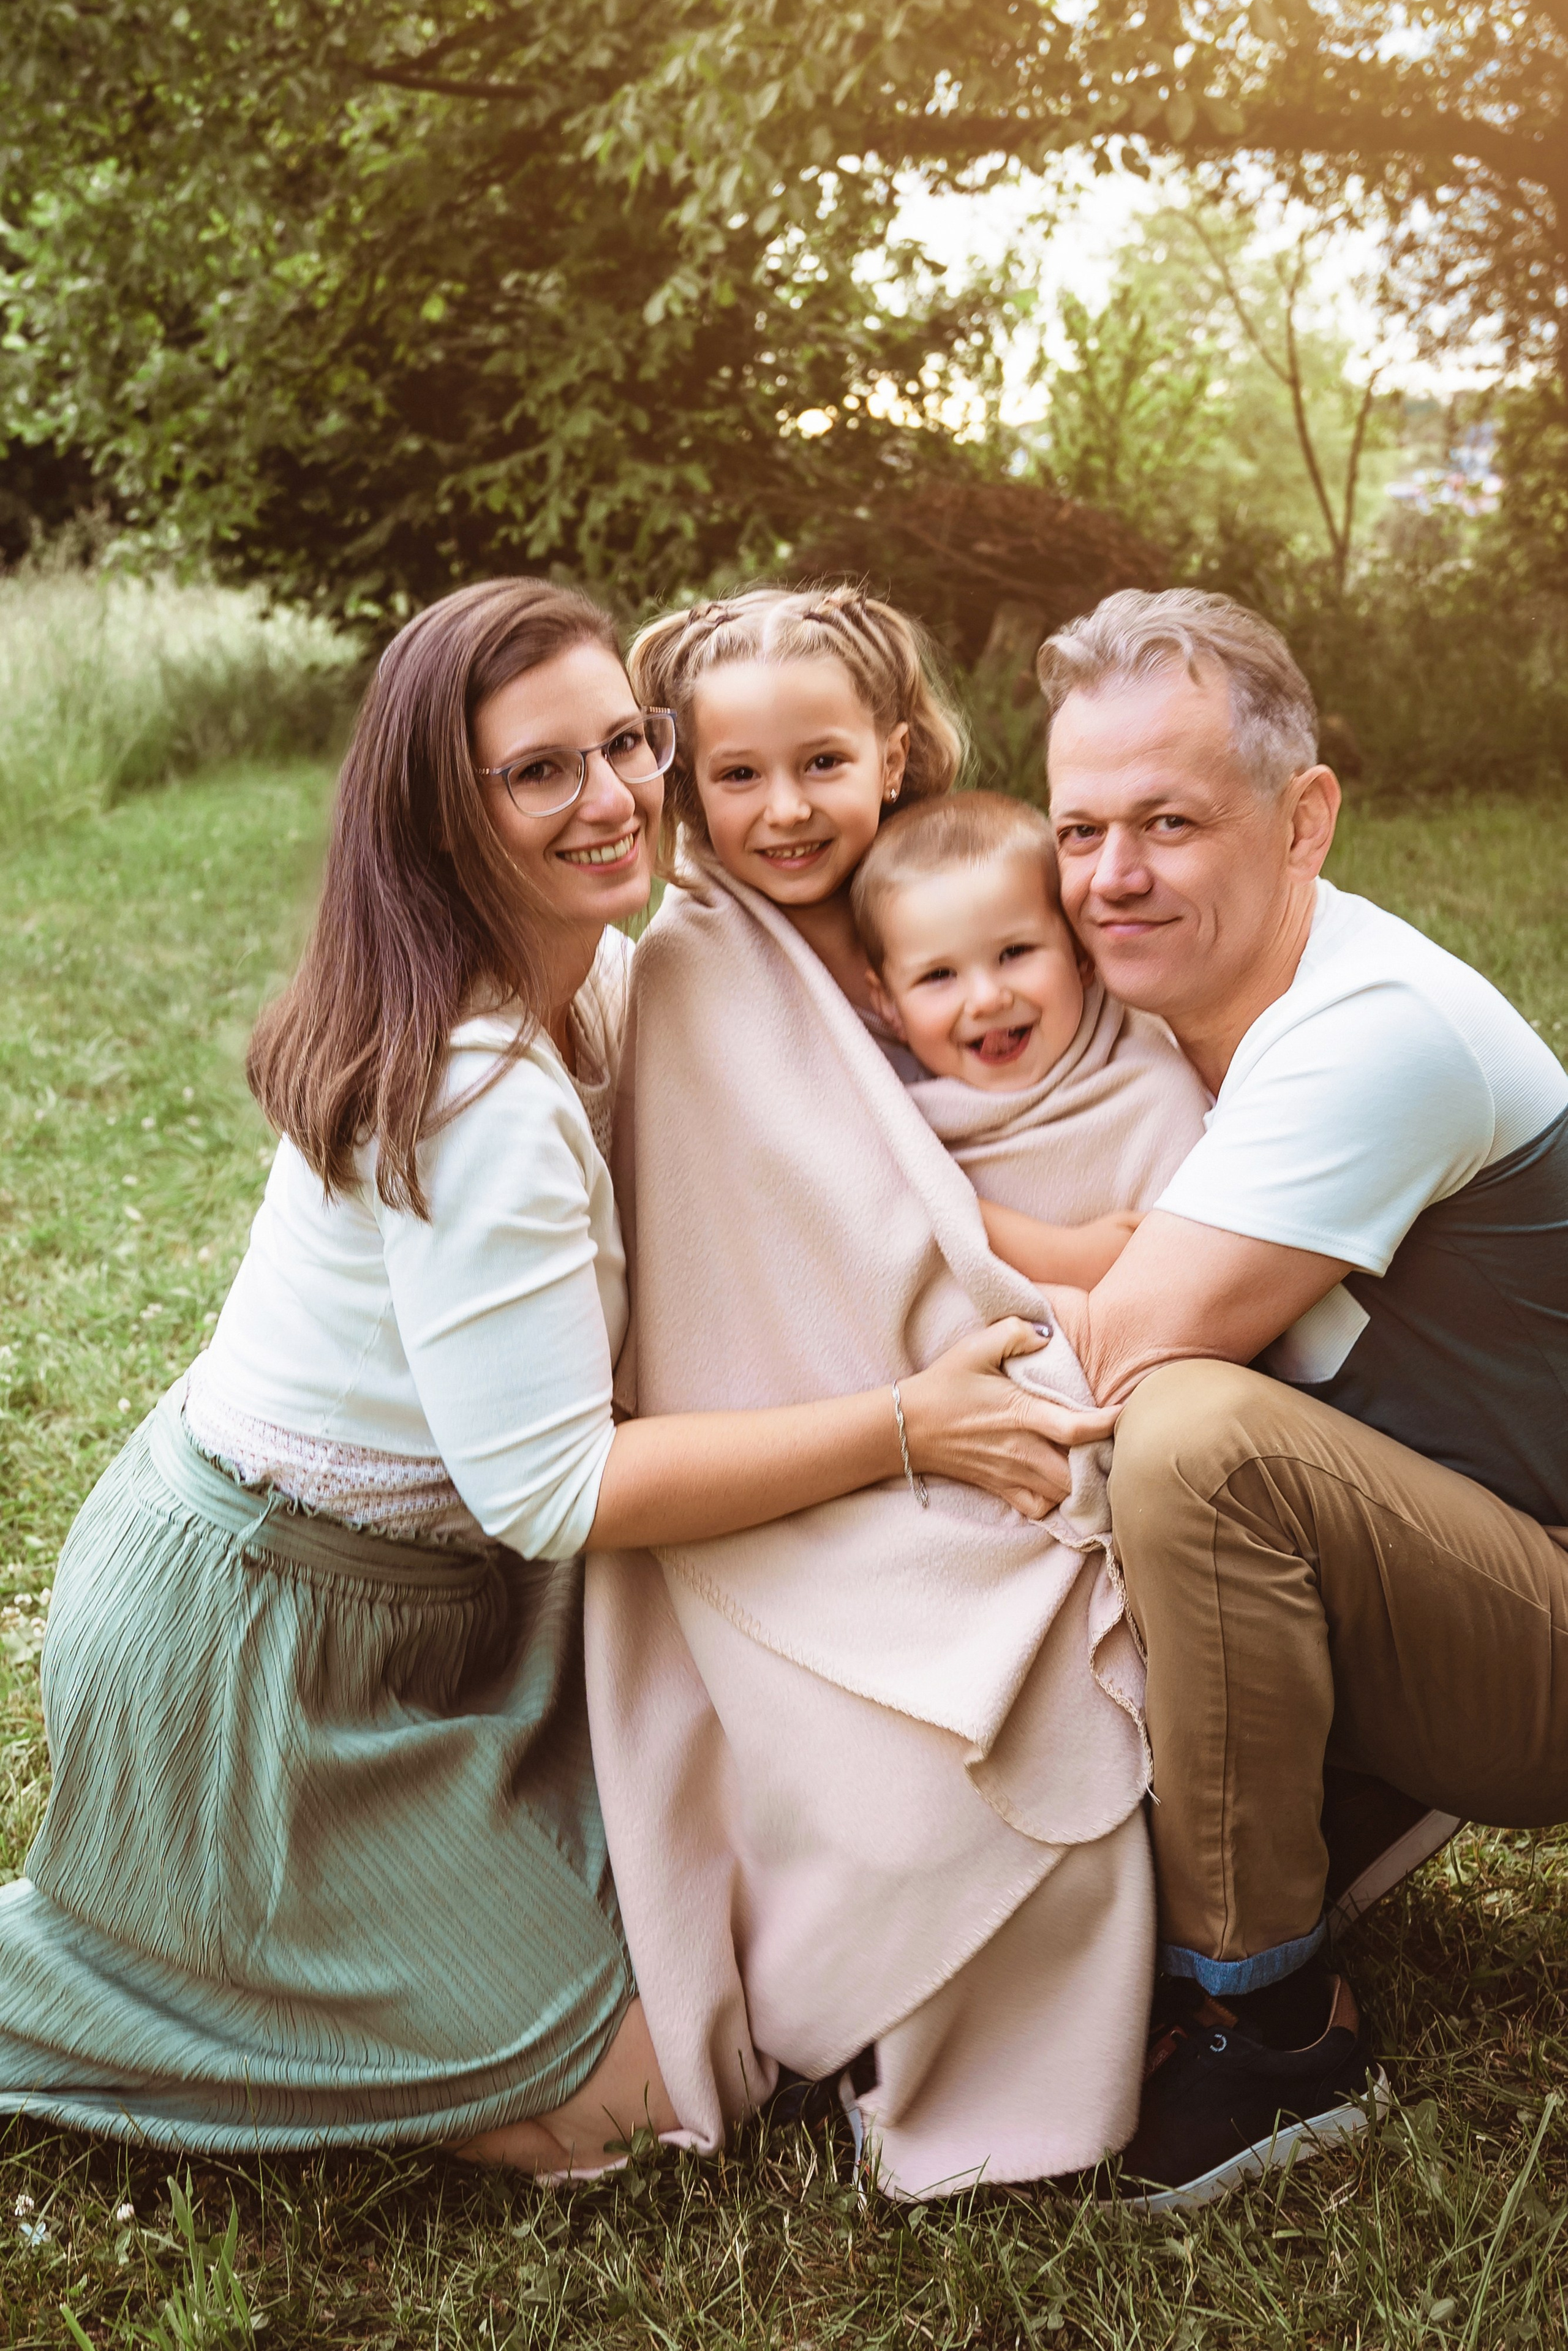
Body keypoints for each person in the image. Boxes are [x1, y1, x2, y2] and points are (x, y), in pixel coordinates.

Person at [0, 578, 1090, 2172]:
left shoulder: (587, 969)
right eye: (540, 772)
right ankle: (99, 1974)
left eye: (628, 745)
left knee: (707, 1959)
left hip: (452, 1633)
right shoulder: (478, 1093)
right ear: (444, 811)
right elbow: (552, 1489)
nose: (614, 798)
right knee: (632, 2115)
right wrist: (908, 1428)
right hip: (266, 1660)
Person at [585, 587, 1198, 2198]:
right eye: (736, 778)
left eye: (822, 764)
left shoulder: (930, 912)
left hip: (936, 1399)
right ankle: (906, 2022)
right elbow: (825, 1240)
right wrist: (1053, 1296)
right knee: (982, 1716)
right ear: (679, 783)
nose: (783, 810)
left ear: (897, 756)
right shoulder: (702, 968)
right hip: (789, 1463)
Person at [1008, 586, 1568, 2211]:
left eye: (1170, 822)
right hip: (1441, 1541)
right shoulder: (1167, 1003)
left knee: (1190, 1439)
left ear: (1304, 818)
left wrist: (914, 1252)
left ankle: (1272, 2030)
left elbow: (1118, 1361)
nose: (1114, 877)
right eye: (1084, 828)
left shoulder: (1370, 1031)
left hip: (1538, 1625)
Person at [851, 788, 1205, 1286]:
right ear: (889, 1004)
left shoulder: (1149, 1096)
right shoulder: (897, 1127)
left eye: (1014, 952)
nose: (986, 999)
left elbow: (1186, 1271)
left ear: (1082, 954)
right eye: (939, 976)